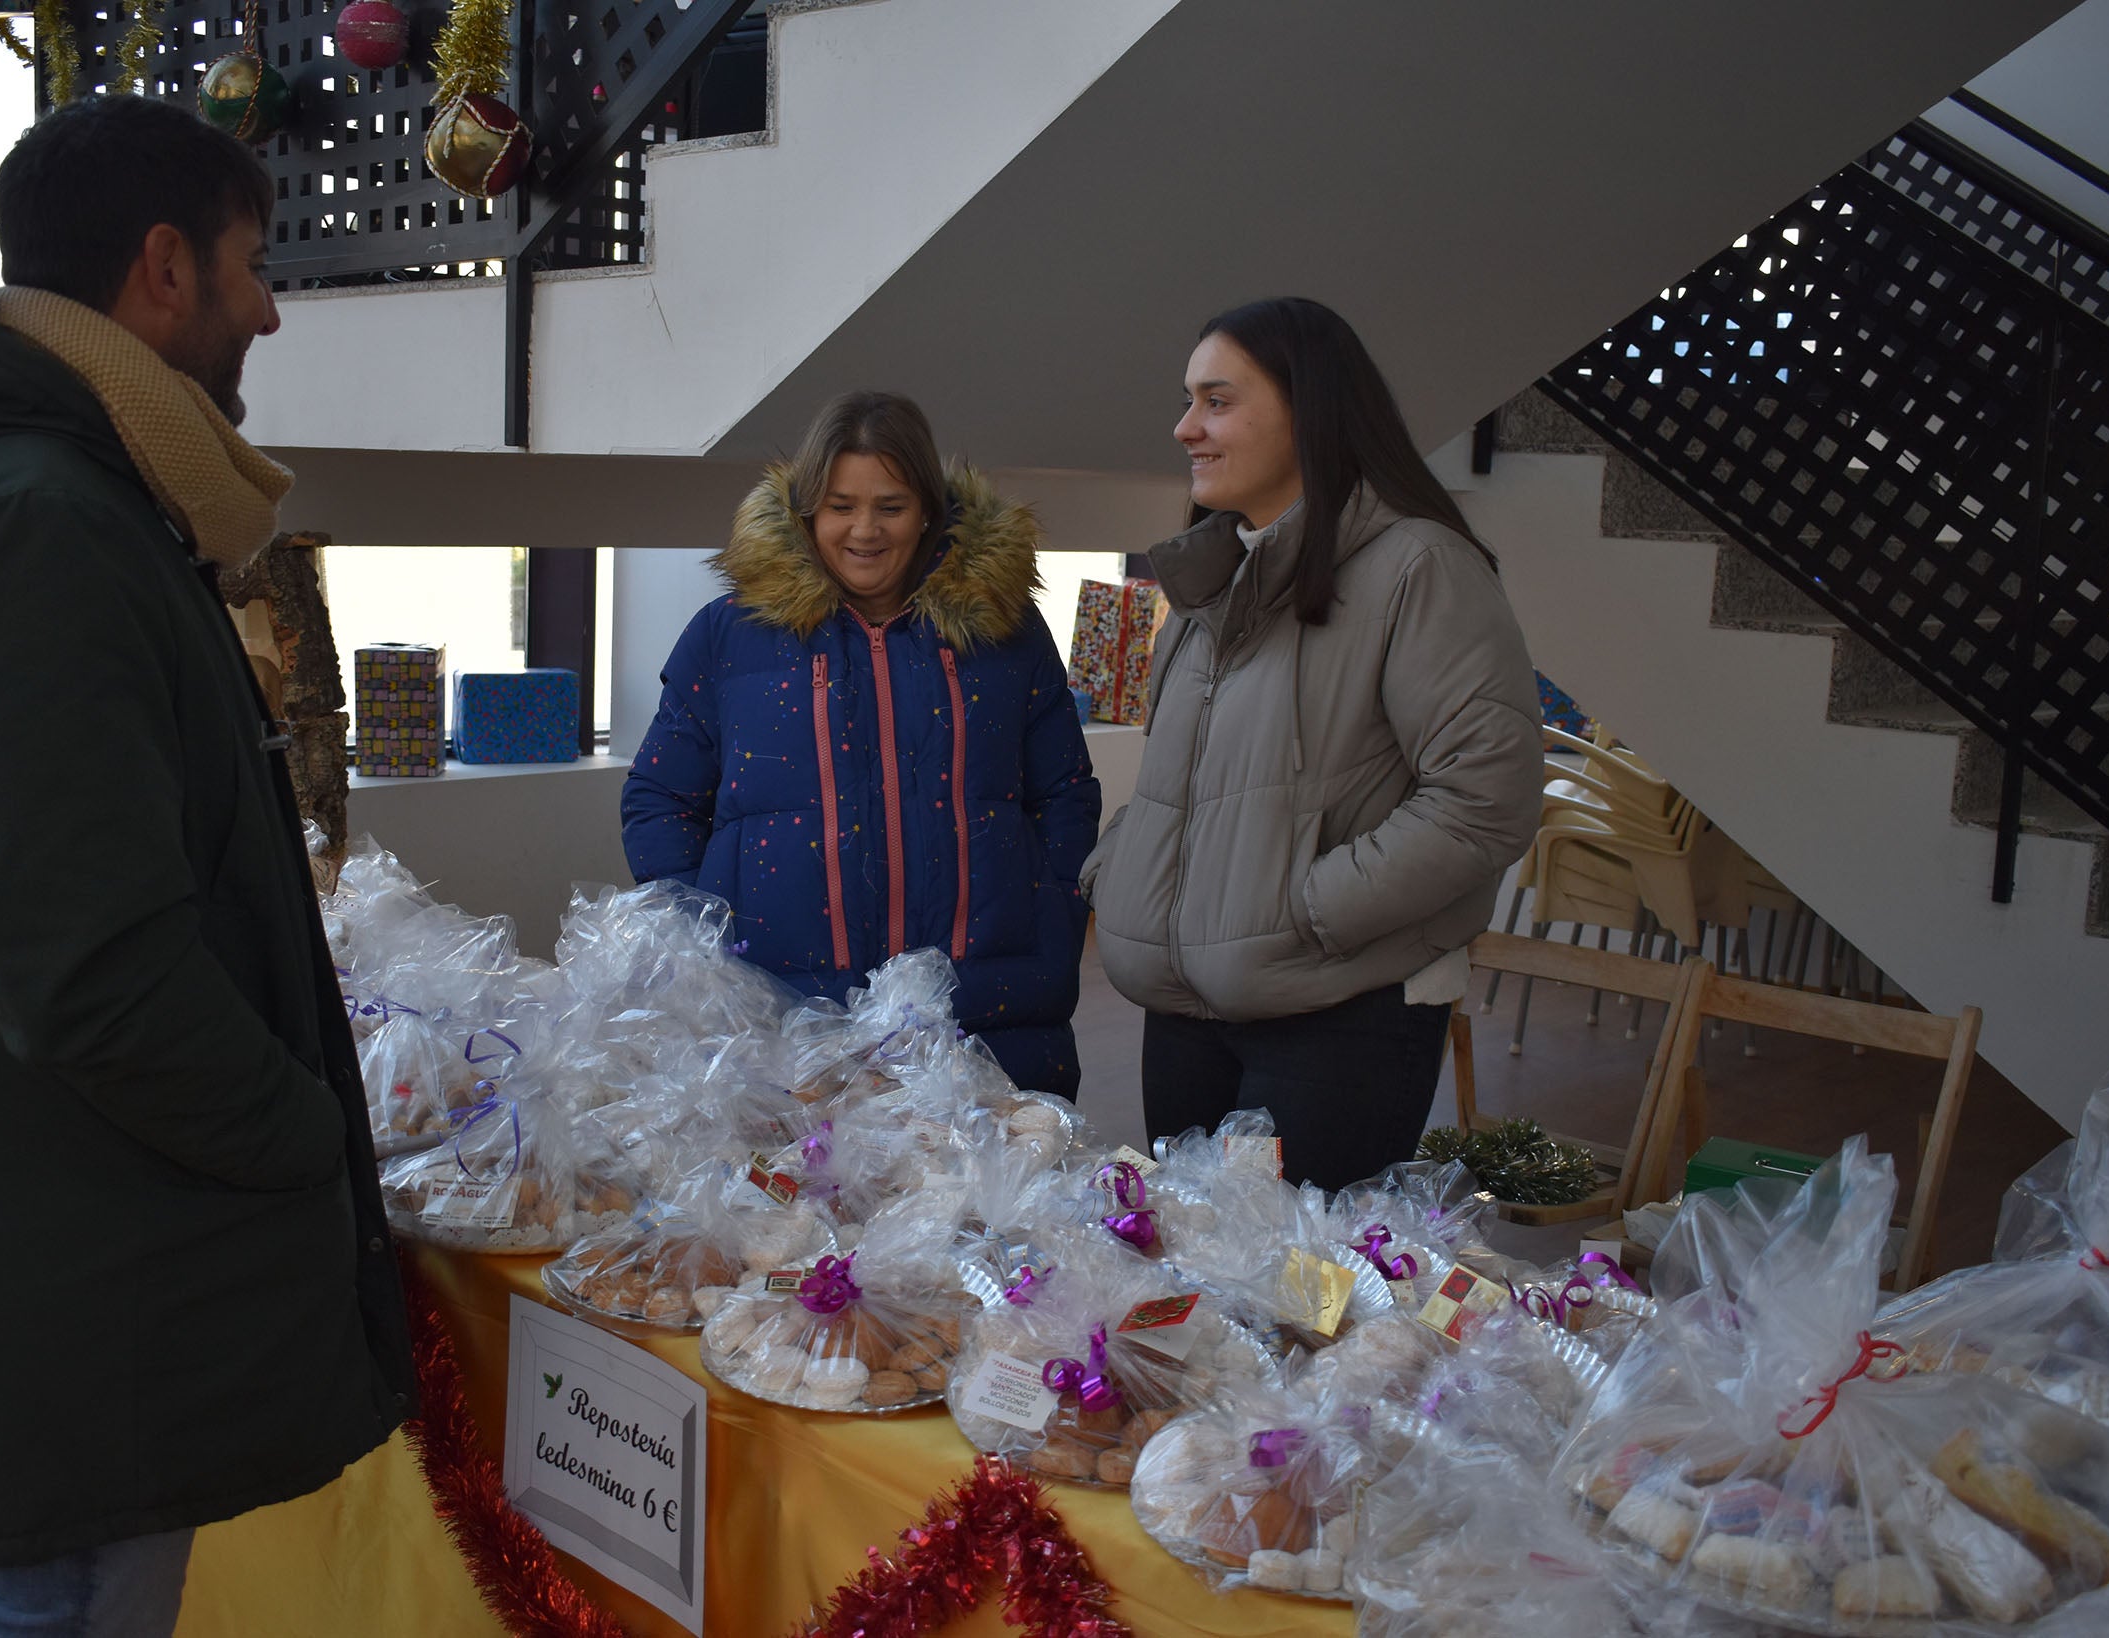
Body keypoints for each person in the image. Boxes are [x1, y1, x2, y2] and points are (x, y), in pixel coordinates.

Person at [0, 95, 411, 1636]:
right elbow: (91, 965)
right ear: (164, 269)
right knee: (78, 1598)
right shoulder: (36, 517)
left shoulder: (23, 487)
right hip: (95, 1230)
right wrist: (302, 1136)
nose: (271, 305)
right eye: (252, 261)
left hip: (75, 1209)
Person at [1083, 298, 1540, 1189]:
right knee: (1194, 1294)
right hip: (1185, 1011)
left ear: (1310, 413)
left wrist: (1307, 907)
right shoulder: (1208, 585)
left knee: (1302, 1309)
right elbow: (1190, 788)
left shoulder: (1419, 569)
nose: (1185, 428)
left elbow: (1486, 801)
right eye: (1187, 401)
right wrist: (1126, 868)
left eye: (1216, 401)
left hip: (1339, 1016)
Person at [622, 392, 1101, 1095]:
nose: (864, 531)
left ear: (931, 510)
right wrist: (706, 952)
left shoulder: (1007, 631)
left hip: (986, 1015)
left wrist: (1052, 913)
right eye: (840, 505)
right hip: (783, 1027)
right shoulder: (728, 635)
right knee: (797, 1206)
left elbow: (1063, 794)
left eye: (891, 506)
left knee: (977, 1204)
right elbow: (660, 800)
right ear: (807, 510)